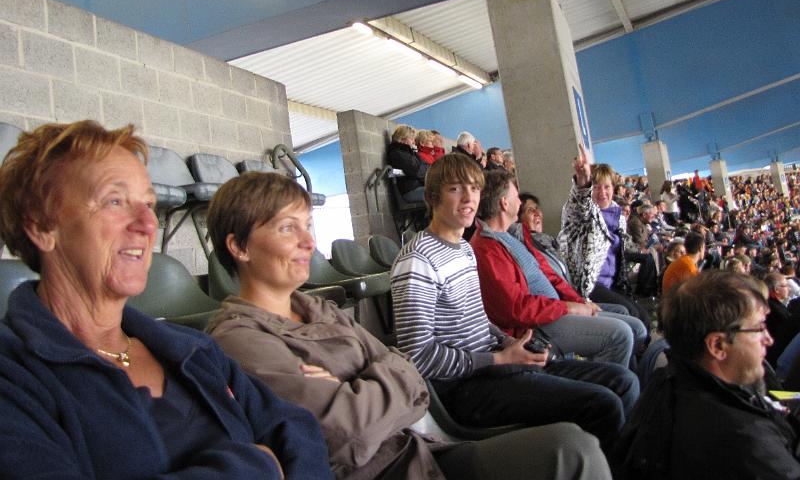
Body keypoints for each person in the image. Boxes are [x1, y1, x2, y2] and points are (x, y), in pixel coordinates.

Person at [205, 171, 611, 480]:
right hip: (388, 470)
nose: (309, 243)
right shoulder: (238, 340)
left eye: (308, 226)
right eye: (286, 228)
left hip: (421, 447)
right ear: (239, 246)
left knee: (574, 448)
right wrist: (384, 372)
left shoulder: (316, 308)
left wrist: (362, 384)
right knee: (591, 418)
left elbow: (409, 375)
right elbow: (350, 433)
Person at [0, 121, 331, 479]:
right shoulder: (14, 377)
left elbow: (295, 428)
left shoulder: (191, 348)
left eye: (149, 203)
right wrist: (259, 465)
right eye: (115, 201)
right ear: (40, 225)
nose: (147, 223)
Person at [391, 153, 638, 454]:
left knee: (623, 381)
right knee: (604, 404)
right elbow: (417, 357)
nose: (469, 197)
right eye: (455, 188)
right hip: (463, 389)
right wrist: (498, 359)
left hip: (495, 365)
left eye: (474, 188)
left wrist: (511, 343)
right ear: (433, 197)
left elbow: (478, 321)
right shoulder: (417, 260)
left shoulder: (464, 251)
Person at [613, 271, 800, 479]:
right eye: (759, 328)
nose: (768, 339)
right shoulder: (746, 445)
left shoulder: (668, 382)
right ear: (717, 345)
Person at [471, 169, 645, 365]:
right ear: (504, 203)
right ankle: (608, 384)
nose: (519, 203)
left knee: (637, 327)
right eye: (516, 197)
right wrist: (568, 307)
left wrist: (579, 302)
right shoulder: (486, 249)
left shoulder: (515, 236)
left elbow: (551, 276)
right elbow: (516, 308)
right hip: (538, 324)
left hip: (554, 309)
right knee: (621, 335)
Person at [557, 144, 650, 328]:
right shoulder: (582, 214)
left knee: (644, 318)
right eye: (596, 187)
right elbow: (579, 205)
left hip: (614, 282)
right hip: (589, 286)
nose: (602, 192)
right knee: (633, 318)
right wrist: (583, 181)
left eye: (607, 187)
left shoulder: (617, 213)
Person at [386, 124, 428, 203]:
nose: (413, 142)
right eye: (411, 138)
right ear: (402, 138)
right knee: (442, 193)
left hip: (417, 187)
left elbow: (425, 167)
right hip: (410, 191)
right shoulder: (397, 153)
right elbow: (416, 172)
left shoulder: (409, 153)